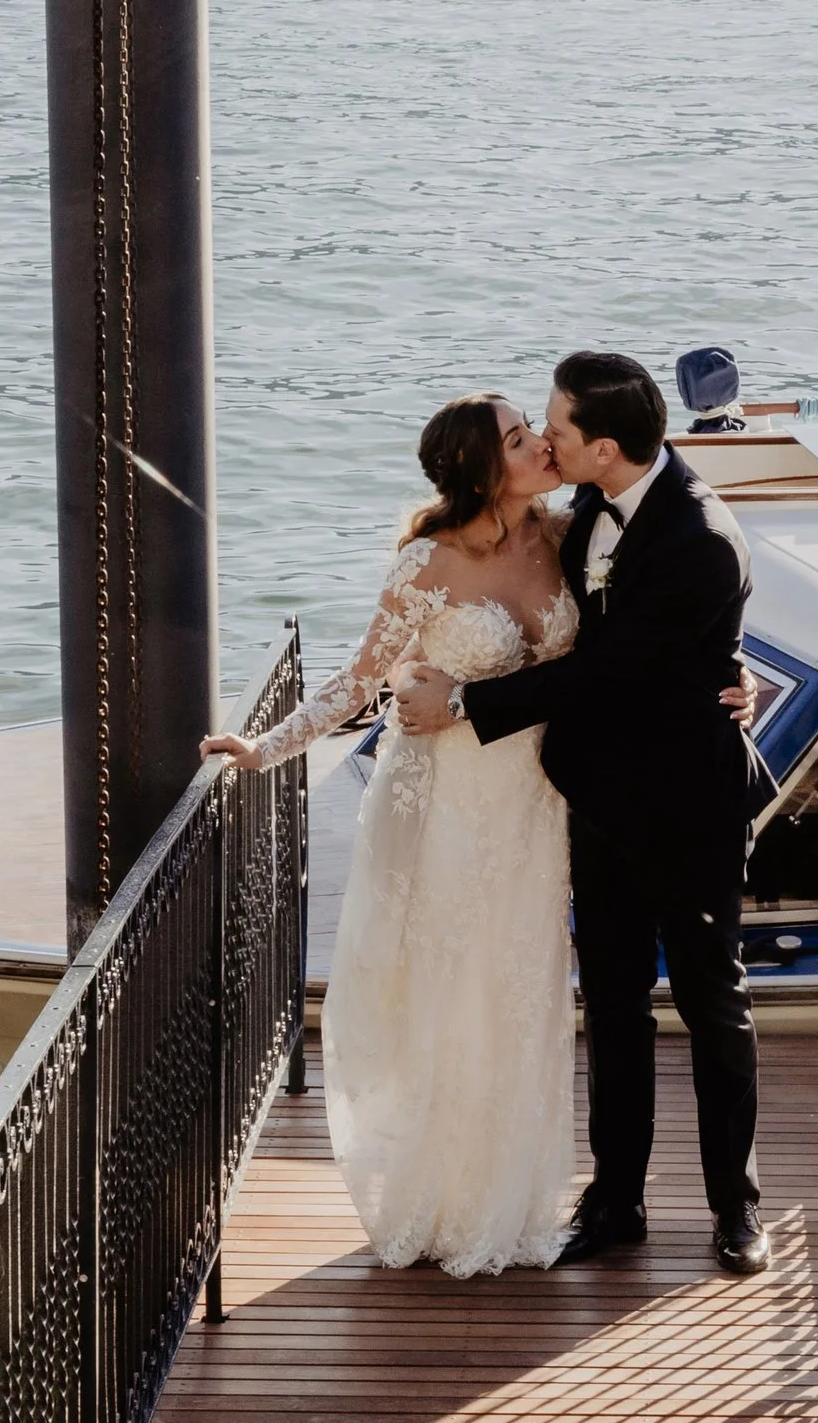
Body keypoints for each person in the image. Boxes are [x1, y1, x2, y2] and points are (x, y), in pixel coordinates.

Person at [398, 349, 768, 1277]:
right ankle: (616, 1200)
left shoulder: (702, 539)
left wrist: (470, 708)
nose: (546, 441)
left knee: (711, 1003)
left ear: (605, 446)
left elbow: (609, 668)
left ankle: (738, 1210)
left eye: (557, 429)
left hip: (686, 808)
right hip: (595, 798)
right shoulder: (587, 511)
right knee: (612, 1004)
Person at [203, 393, 580, 1277]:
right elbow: (363, 678)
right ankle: (440, 1201)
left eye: (534, 432)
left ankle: (513, 1201)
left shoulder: (566, 537)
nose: (540, 448)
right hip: (445, 802)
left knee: (521, 990)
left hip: (532, 803)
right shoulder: (431, 561)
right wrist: (264, 747)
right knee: (449, 989)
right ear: (484, 472)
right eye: (520, 441)